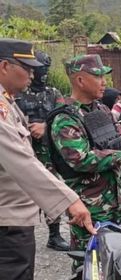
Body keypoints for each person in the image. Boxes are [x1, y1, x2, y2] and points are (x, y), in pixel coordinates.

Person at [0, 38, 95, 280]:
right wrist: (70, 200)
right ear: (4, 67)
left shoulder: (9, 102)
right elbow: (20, 161)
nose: (32, 75)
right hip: (7, 223)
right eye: (27, 68)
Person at [47, 54, 121, 259]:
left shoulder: (102, 109)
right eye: (98, 76)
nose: (104, 82)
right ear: (80, 80)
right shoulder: (65, 118)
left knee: (120, 261)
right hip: (91, 209)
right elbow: (80, 159)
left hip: (119, 204)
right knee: (91, 264)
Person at [15, 50, 70, 251]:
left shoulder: (53, 93)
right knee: (20, 194)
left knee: (51, 190)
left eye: (46, 69)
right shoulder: (17, 92)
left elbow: (64, 117)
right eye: (40, 69)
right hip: (22, 150)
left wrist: (45, 127)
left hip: (48, 153)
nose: (42, 73)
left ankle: (54, 235)